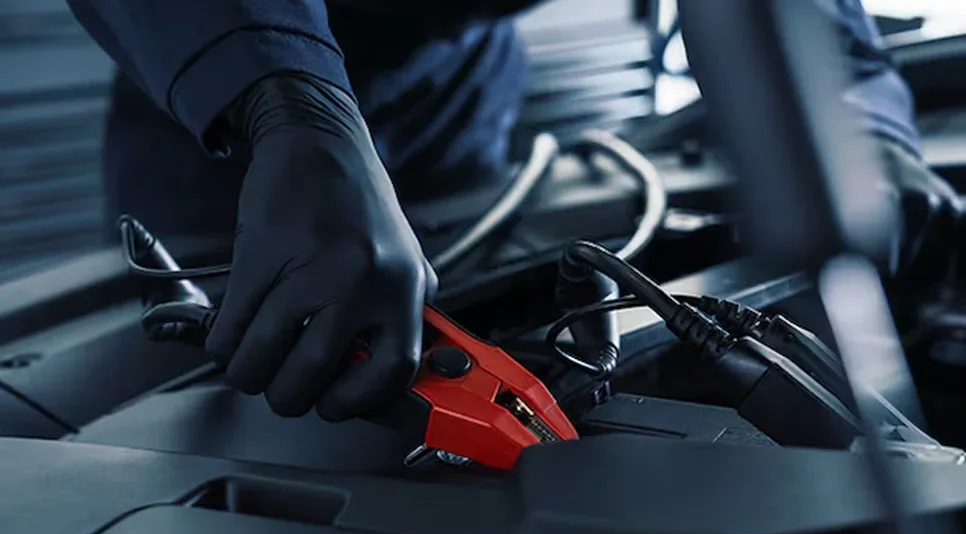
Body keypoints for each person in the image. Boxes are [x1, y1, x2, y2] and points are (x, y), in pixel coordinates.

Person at [66, 0, 959, 423]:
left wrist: (857, 123)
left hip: (448, 92)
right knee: (206, 375)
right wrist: (293, 109)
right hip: (226, 92)